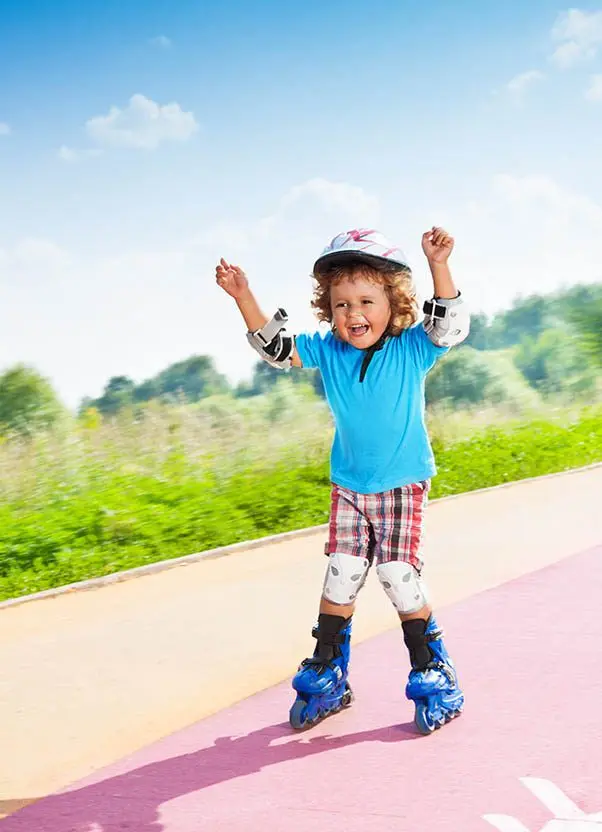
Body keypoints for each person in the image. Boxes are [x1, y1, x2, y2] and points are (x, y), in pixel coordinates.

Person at [215, 226, 470, 734]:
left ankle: (432, 667)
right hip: (350, 486)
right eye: (340, 304)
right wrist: (244, 297)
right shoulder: (329, 350)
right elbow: (277, 350)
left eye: (366, 301)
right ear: (327, 310)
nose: (353, 315)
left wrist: (439, 265)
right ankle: (330, 667)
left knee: (398, 576)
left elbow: (449, 327)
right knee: (342, 571)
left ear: (394, 304)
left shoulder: (413, 348)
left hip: (401, 484)